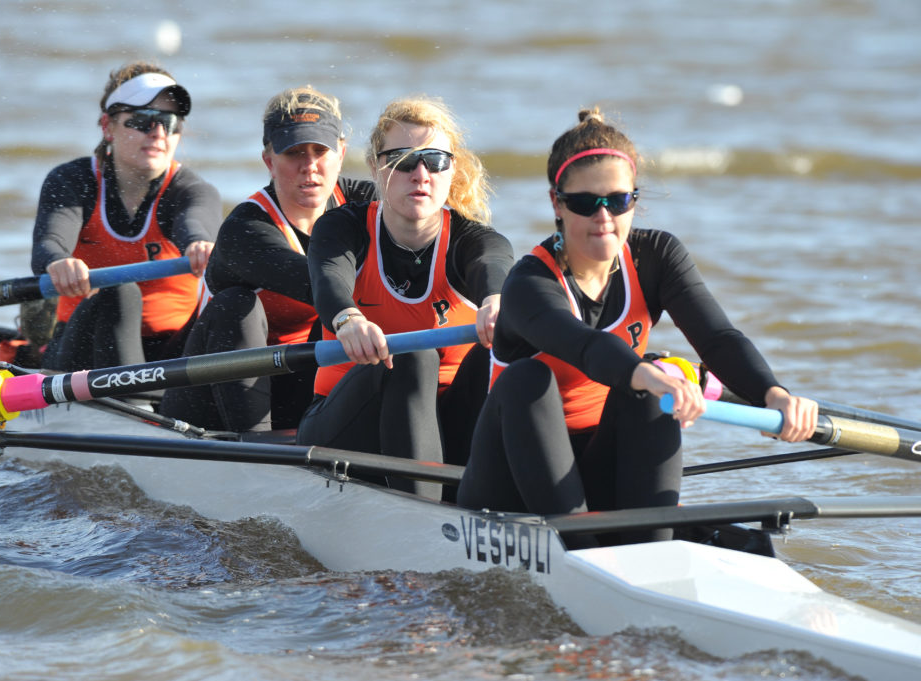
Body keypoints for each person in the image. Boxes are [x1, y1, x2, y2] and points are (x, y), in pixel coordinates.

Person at [456, 108, 818, 546]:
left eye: (618, 200)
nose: (603, 217)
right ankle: (585, 550)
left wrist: (774, 394)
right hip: (510, 479)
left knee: (750, 543)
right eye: (585, 203)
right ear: (557, 203)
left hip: (597, 469)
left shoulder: (657, 256)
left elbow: (718, 338)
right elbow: (585, 346)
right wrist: (649, 374)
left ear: (635, 200)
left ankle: (652, 548)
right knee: (531, 378)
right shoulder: (528, 282)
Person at [296, 96, 515, 501]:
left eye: (434, 160)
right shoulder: (341, 229)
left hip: (446, 427)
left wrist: (496, 302)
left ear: (452, 171)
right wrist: (349, 320)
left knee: (506, 357)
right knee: (414, 357)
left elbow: (493, 267)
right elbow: (329, 280)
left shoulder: (476, 241)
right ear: (378, 168)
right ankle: (424, 516)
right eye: (403, 159)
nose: (420, 173)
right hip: (347, 426)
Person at [159, 86, 376, 433]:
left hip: (300, 383)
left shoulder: (367, 204)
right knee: (237, 305)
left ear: (341, 152)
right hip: (213, 394)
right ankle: (257, 450)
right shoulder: (245, 230)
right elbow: (320, 284)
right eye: (294, 153)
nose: (310, 167)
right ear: (269, 161)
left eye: (321, 151)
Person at [32, 61, 221, 372]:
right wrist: (57, 262)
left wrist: (200, 245)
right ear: (108, 126)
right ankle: (134, 407)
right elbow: (49, 243)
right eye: (144, 120)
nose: (159, 133)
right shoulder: (71, 181)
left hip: (169, 354)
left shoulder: (193, 191)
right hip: (84, 350)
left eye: (170, 122)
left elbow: (195, 225)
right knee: (120, 291)